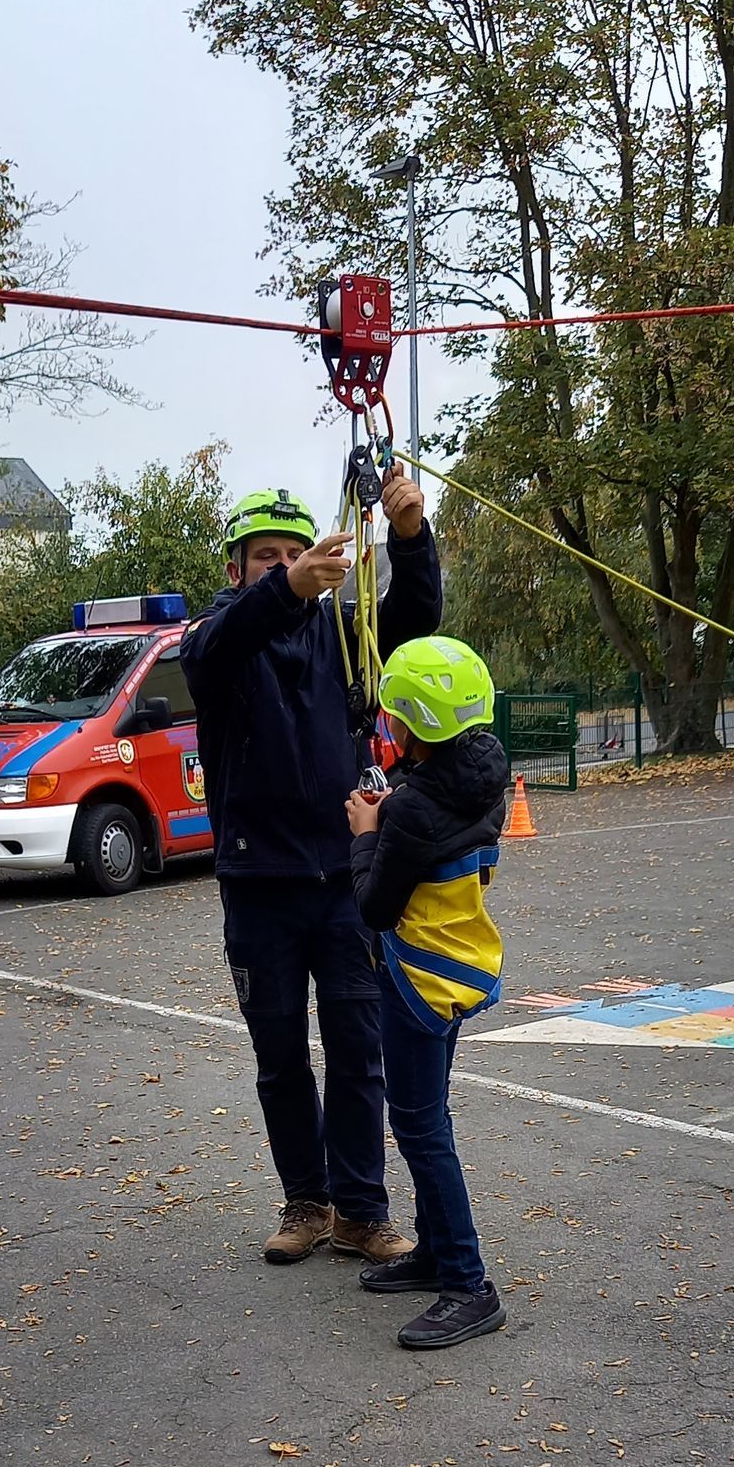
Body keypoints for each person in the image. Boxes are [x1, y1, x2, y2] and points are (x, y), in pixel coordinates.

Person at [181, 478, 442, 1264]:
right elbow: (217, 646)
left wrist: (409, 535)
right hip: (258, 885)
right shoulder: (217, 637)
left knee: (359, 1049)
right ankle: (307, 1201)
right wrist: (286, 589)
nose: (284, 563)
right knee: (281, 1056)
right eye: (266, 555)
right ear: (236, 568)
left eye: (295, 552)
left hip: (343, 881)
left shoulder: (343, 632)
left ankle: (361, 1210)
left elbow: (414, 619)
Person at [344, 636, 511, 1351]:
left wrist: (365, 832)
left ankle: (469, 1284)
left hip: (415, 977)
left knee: (419, 1129)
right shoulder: (484, 776)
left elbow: (373, 907)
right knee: (429, 1115)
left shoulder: (411, 808)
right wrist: (394, 816)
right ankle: (437, 1252)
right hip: (459, 966)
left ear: (410, 723)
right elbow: (436, 827)